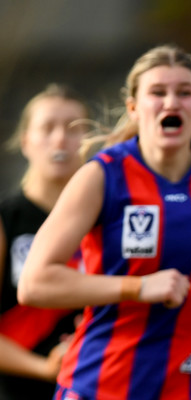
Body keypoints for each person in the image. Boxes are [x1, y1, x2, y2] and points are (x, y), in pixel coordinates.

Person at [17, 45, 191, 400]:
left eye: (184, 92)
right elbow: (34, 283)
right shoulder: (101, 176)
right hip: (103, 383)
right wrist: (136, 288)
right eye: (157, 92)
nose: (171, 103)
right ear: (134, 108)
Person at [0, 83, 89, 399]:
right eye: (47, 127)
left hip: (101, 385)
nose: (60, 138)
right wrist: (44, 367)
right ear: (25, 141)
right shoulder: (6, 220)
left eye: (73, 128)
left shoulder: (108, 219)